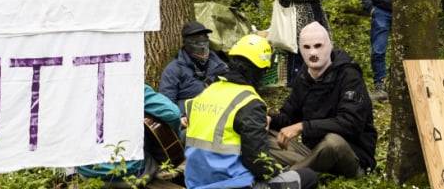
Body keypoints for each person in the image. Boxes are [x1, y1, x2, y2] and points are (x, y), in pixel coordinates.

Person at [184, 34, 318, 189]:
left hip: (195, 182)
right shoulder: (249, 102)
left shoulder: (206, 93)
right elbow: (257, 160)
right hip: (231, 184)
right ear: (261, 70)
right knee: (308, 176)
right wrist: (278, 171)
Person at [268, 22, 377, 177]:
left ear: (330, 46)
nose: (313, 52)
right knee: (264, 134)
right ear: (300, 49)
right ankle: (303, 170)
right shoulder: (304, 76)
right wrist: (269, 119)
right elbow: (289, 117)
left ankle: (288, 178)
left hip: (350, 157)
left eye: (318, 46)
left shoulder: (349, 76)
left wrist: (303, 127)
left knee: (333, 142)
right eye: (306, 47)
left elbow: (351, 123)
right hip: (312, 152)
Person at [76, 84, 182, 186]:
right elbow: (173, 114)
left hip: (86, 173)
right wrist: (173, 138)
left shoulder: (78, 86)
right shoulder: (130, 83)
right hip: (130, 174)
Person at [159, 21, 229, 114]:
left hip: (218, 116)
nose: (202, 44)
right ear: (185, 43)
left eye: (204, 38)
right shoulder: (173, 70)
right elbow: (166, 105)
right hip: (188, 119)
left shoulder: (220, 65)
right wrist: (181, 116)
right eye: (196, 40)